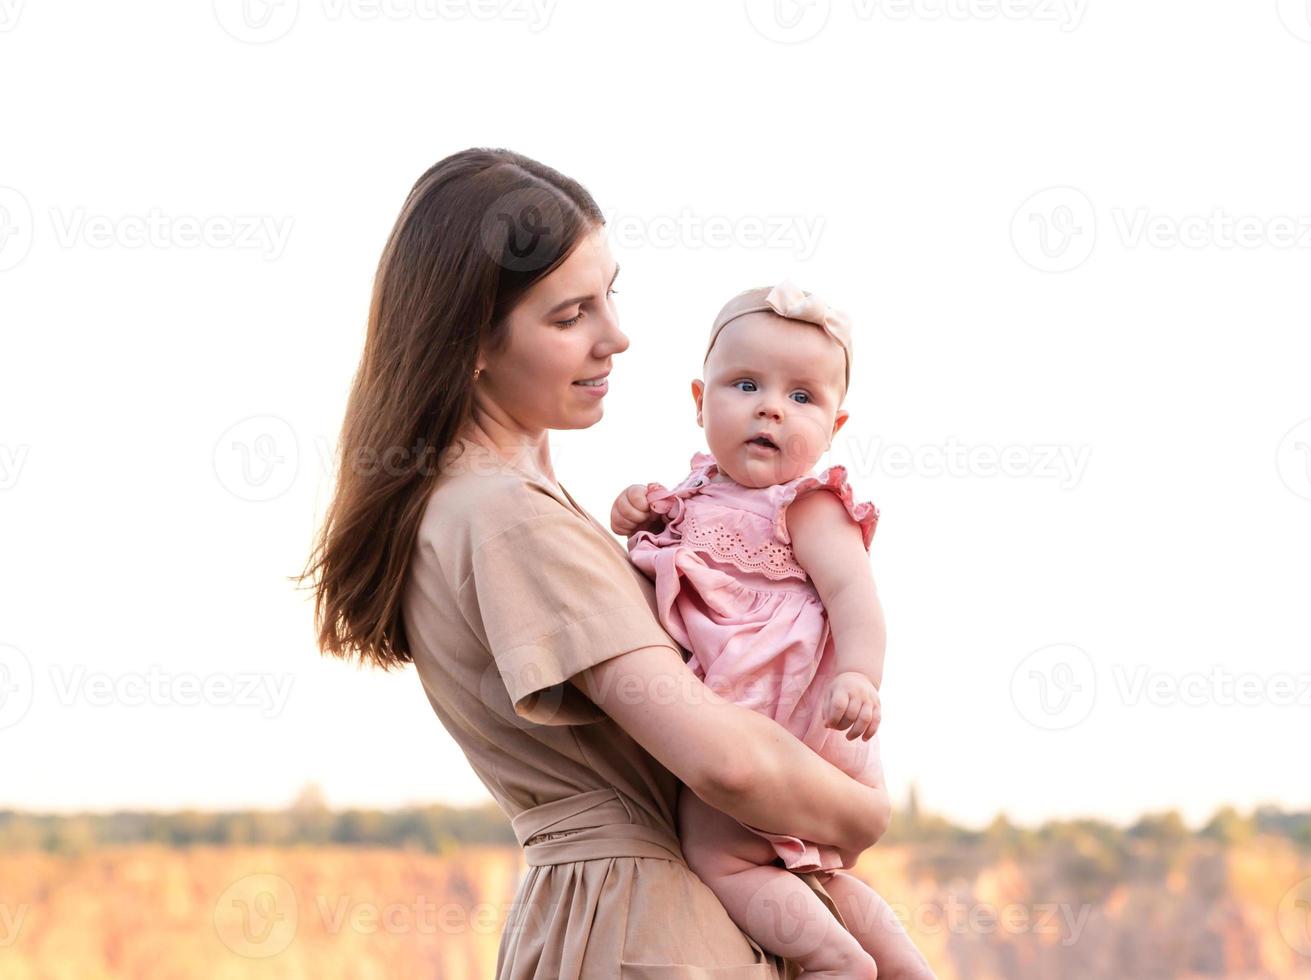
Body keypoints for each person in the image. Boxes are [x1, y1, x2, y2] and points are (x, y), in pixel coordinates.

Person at [298, 148, 891, 979]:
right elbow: (726, 761)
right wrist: (860, 813)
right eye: (571, 315)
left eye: (611, 294)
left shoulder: (498, 504)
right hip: (639, 929)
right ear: (471, 337)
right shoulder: (506, 516)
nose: (616, 337)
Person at [613, 282, 933, 978]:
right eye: (747, 384)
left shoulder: (809, 505)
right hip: (755, 715)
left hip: (782, 715)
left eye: (801, 397)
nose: (769, 407)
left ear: (834, 428)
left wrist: (859, 675)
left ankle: (830, 961)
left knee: (722, 854)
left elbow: (856, 596)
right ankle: (902, 965)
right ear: (700, 402)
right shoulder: (691, 493)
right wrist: (633, 509)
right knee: (815, 876)